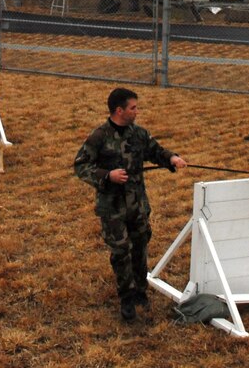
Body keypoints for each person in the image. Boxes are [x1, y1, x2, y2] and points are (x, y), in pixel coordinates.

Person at [74, 87, 187, 322]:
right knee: (121, 251)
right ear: (119, 110)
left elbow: (155, 151)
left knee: (140, 246)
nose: (137, 111)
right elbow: (81, 166)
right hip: (112, 207)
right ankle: (126, 298)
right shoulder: (99, 136)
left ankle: (140, 292)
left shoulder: (139, 134)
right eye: (133, 108)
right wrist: (107, 175)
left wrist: (171, 158)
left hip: (137, 205)